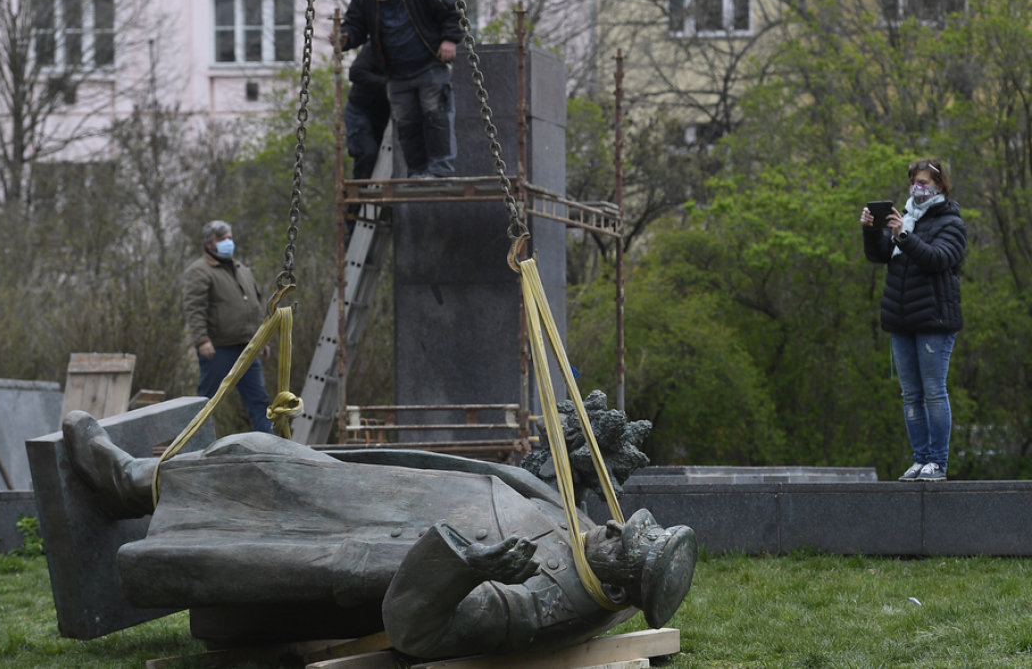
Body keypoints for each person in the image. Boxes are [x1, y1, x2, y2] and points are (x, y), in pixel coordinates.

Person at [61, 410, 697, 659]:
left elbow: (417, 629)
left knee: (250, 464)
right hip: (370, 492)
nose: (613, 524)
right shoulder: (587, 546)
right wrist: (577, 465)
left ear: (619, 578)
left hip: (351, 528)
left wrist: (463, 565)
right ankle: (140, 481)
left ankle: (129, 482)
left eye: (624, 539)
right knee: (254, 454)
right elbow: (523, 491)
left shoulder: (536, 601)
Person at [860, 158, 967, 482]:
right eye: (914, 182)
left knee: (934, 391)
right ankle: (920, 459)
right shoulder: (905, 218)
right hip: (902, 319)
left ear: (940, 186)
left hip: (935, 320)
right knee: (911, 395)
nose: (917, 188)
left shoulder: (951, 222)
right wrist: (871, 230)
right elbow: (879, 255)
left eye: (924, 183)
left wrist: (904, 236)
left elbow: (938, 259)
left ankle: (937, 462)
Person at [337, 0, 463, 179]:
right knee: (407, 126)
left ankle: (440, 171)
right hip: (397, 73)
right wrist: (345, 38)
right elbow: (356, 23)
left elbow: (450, 7)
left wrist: (450, 38)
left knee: (436, 116)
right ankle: (417, 173)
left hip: (429, 63)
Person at [182, 220, 272, 433]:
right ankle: (194, 445)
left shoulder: (242, 269)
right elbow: (195, 309)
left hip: (248, 348)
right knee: (206, 402)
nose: (228, 242)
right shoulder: (199, 271)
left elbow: (255, 306)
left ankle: (270, 447)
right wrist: (202, 340)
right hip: (218, 350)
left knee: (259, 401)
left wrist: (262, 339)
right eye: (222, 239)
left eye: (229, 238)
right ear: (208, 243)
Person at [346, 43, 391, 181]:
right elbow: (355, 72)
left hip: (385, 116)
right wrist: (388, 85)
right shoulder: (376, 46)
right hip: (360, 110)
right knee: (367, 153)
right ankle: (357, 199)